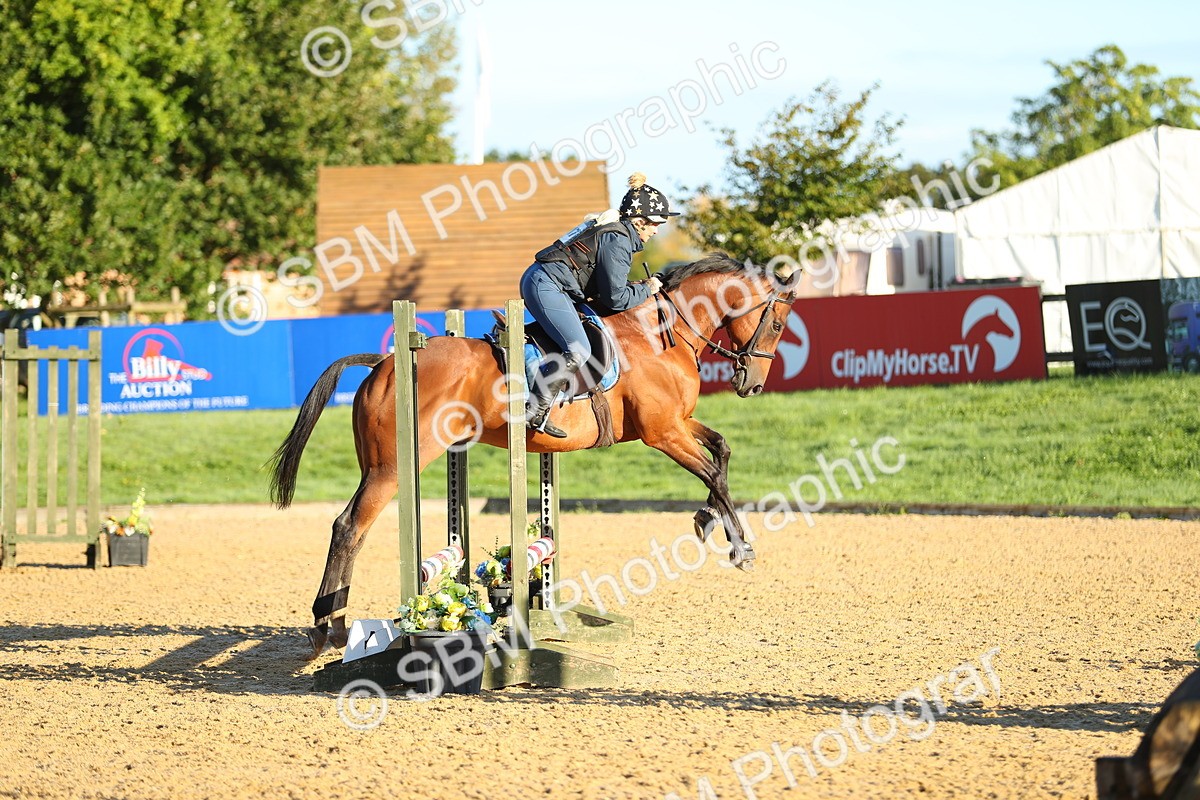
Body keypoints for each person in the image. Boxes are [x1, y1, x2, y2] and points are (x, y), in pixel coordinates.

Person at [519, 172, 679, 438]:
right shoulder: (618, 240)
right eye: (654, 223)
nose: (656, 230)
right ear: (638, 221)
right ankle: (535, 409)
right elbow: (615, 299)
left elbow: (610, 290)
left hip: (552, 284)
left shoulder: (619, 233)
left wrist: (636, 288)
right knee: (578, 349)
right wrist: (647, 288)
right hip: (547, 285)